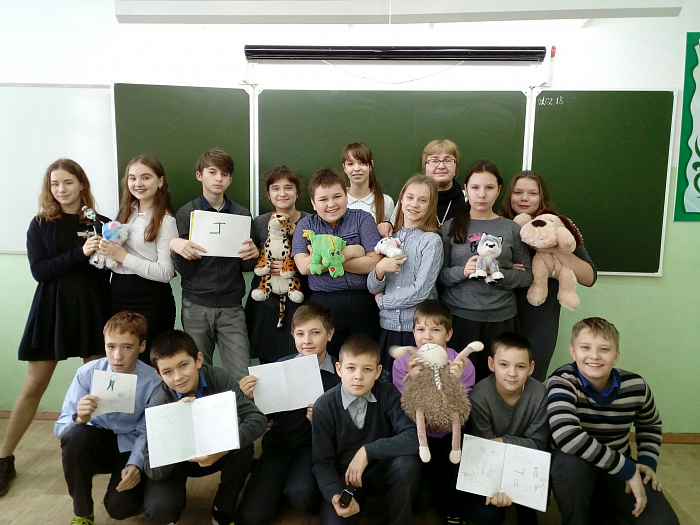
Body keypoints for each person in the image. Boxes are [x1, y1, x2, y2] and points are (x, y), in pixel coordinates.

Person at [0, 159, 110, 497]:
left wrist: (108, 250)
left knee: (99, 388)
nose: (61, 189)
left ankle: (101, 452)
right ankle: (4, 458)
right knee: (33, 386)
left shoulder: (101, 223)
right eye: (54, 184)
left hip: (93, 310)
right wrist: (81, 252)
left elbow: (107, 269)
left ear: (81, 184)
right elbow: (40, 271)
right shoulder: (40, 224)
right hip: (52, 311)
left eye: (67, 182)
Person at [547, 317, 679, 525]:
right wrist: (627, 469)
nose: (594, 356)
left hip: (617, 466)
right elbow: (567, 437)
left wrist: (646, 463)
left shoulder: (636, 386)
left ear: (616, 356)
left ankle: (602, 507)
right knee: (569, 465)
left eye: (604, 349)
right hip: (578, 468)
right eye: (585, 347)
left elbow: (650, 423)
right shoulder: (562, 381)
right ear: (573, 351)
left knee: (664, 522)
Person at [143, 329, 267, 525]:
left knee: (243, 449)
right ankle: (172, 510)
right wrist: (175, 424)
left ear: (198, 360)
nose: (178, 377)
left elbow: (257, 419)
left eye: (183, 365)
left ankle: (223, 508)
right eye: (167, 372)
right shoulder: (159, 402)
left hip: (216, 451)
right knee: (160, 509)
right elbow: (152, 471)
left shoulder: (218, 378)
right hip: (178, 463)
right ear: (159, 374)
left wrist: (223, 448)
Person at [54, 312, 161, 525]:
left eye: (127, 347)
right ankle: (83, 513)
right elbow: (61, 429)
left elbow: (148, 431)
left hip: (130, 445)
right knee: (75, 436)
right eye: (111, 346)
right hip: (96, 441)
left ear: (142, 346)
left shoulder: (153, 382)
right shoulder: (86, 373)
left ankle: (135, 490)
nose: (117, 356)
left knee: (119, 509)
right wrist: (79, 418)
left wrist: (136, 463)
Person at [238, 302, 341, 524]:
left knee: (301, 493)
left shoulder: (340, 375)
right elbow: (266, 417)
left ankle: (300, 491)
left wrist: (322, 422)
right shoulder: (280, 367)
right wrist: (251, 399)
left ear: (330, 334)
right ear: (293, 335)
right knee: (251, 517)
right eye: (300, 334)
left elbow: (347, 428)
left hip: (314, 448)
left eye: (315, 333)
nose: (307, 340)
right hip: (279, 444)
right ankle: (277, 487)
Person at [169, 148, 259, 382]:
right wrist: (177, 249)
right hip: (195, 305)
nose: (218, 178)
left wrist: (253, 255)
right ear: (199, 175)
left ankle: (240, 407)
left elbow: (246, 267)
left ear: (230, 180)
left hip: (231, 306)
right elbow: (185, 271)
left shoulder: (241, 214)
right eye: (212, 172)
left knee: (241, 374)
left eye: (224, 174)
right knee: (198, 373)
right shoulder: (187, 213)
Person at [439, 159, 532, 381]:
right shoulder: (451, 226)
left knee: (499, 382)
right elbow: (440, 274)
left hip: (502, 318)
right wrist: (462, 271)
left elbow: (528, 275)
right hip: (459, 317)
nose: (481, 194)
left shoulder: (511, 228)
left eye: (489, 188)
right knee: (459, 381)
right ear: (466, 189)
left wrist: (501, 274)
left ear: (499, 190)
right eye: (475, 187)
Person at [312, 334, 421, 525]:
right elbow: (322, 463)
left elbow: (413, 437)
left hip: (383, 473)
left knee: (408, 464)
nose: (358, 376)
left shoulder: (388, 393)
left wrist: (367, 451)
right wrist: (334, 494)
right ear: (339, 369)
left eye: (367, 369)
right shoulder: (324, 406)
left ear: (378, 371)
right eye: (351, 368)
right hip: (346, 480)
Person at [500, 170, 597, 382]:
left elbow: (589, 277)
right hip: (501, 318)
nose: (524, 198)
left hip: (540, 322)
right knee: (498, 381)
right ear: (509, 195)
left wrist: (553, 249)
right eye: (518, 192)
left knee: (531, 382)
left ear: (541, 196)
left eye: (532, 193)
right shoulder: (499, 225)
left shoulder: (557, 225)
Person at [392, 299, 476, 523]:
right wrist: (413, 381)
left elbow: (459, 410)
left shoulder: (462, 364)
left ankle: (453, 514)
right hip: (418, 435)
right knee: (422, 500)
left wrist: (452, 382)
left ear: (449, 334)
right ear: (413, 332)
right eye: (420, 329)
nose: (426, 337)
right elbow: (407, 408)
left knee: (453, 478)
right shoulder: (403, 363)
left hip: (450, 435)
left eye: (435, 330)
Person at [292, 168, 382, 358]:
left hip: (363, 304)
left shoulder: (363, 218)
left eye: (337, 196)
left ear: (346, 196)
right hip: (323, 305)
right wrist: (352, 251)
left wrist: (324, 258)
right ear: (313, 203)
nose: (331, 204)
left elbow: (375, 262)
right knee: (327, 362)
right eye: (323, 199)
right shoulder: (306, 225)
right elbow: (304, 267)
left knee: (364, 359)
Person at [98, 154, 178, 363]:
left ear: (160, 181)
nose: (138, 183)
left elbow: (166, 272)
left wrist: (123, 257)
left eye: (145, 177)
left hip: (152, 302)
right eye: (132, 178)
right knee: (121, 363)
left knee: (150, 364)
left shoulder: (166, 221)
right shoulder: (125, 214)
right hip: (118, 296)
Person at [464, 331, 548, 525]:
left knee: (530, 510)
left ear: (531, 368)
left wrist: (502, 441)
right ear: (491, 364)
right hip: (489, 465)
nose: (512, 373)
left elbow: (539, 445)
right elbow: (485, 450)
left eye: (520, 366)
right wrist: (496, 488)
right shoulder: (480, 397)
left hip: (527, 464)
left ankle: (526, 510)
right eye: (504, 365)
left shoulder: (541, 394)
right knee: (487, 517)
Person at [368, 175, 442, 379]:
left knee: (415, 386)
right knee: (388, 384)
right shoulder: (389, 239)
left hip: (418, 331)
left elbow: (421, 290)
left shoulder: (431, 241)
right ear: (401, 199)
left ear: (430, 205)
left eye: (422, 200)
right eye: (409, 197)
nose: (414, 204)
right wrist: (380, 270)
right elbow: (372, 287)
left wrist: (383, 302)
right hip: (388, 327)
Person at [245, 165, 310, 363]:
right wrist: (260, 262)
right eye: (275, 188)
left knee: (300, 359)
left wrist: (293, 266)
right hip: (266, 304)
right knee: (268, 362)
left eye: (288, 188)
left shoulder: (310, 222)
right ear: (268, 194)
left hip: (301, 302)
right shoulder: (259, 223)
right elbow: (250, 259)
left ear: (297, 192)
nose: (282, 193)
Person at [380, 139, 464, 237]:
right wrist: (387, 225)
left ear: (456, 167)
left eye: (448, 160)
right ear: (425, 167)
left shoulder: (468, 199)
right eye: (434, 160)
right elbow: (395, 225)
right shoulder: (410, 198)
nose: (441, 166)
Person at [342, 142, 395, 226]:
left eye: (362, 163)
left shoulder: (386, 202)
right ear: (344, 168)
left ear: (371, 165)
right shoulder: (338, 201)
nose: (356, 168)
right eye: (350, 164)